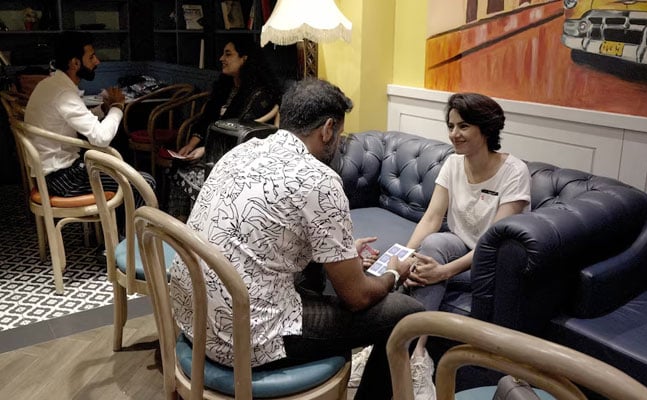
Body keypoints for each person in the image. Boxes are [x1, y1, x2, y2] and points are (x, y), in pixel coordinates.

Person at [168, 78, 424, 400]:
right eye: (340, 135)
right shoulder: (319, 179)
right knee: (408, 314)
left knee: (320, 277)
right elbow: (356, 297)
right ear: (328, 128)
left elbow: (268, 233)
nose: (339, 144)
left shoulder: (242, 151)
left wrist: (340, 253)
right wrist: (393, 273)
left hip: (196, 317)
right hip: (243, 338)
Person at [406, 93, 531, 400]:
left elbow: (493, 242)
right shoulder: (452, 163)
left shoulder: (514, 172)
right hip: (457, 247)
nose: (453, 134)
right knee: (430, 246)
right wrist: (404, 257)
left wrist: (442, 272)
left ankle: (409, 358)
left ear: (485, 129)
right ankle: (417, 355)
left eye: (463, 126)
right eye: (450, 126)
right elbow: (433, 217)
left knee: (430, 265)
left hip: (492, 264)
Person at [24, 31, 155, 204]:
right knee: (145, 182)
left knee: (129, 176)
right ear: (75, 63)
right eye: (91, 57)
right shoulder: (64, 93)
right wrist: (117, 107)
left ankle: (120, 230)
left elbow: (72, 119)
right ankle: (127, 232)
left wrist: (103, 109)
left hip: (53, 174)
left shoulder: (52, 84)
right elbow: (101, 138)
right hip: (63, 179)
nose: (97, 62)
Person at [167, 36, 280, 218]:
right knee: (176, 168)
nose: (222, 59)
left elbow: (238, 134)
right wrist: (191, 144)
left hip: (234, 157)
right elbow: (206, 120)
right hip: (212, 150)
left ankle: (199, 229)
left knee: (188, 175)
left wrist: (204, 150)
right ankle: (180, 228)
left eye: (228, 54)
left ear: (244, 58)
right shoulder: (225, 86)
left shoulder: (259, 94)